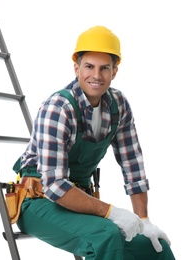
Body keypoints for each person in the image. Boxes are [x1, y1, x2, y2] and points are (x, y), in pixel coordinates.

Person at [13, 26, 175, 259]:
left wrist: (143, 220)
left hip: (81, 201)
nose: (96, 76)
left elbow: (133, 166)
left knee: (155, 247)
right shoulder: (59, 108)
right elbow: (55, 185)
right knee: (106, 235)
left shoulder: (118, 105)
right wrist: (112, 212)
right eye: (89, 66)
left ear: (114, 72)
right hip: (38, 203)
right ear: (76, 68)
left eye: (104, 68)